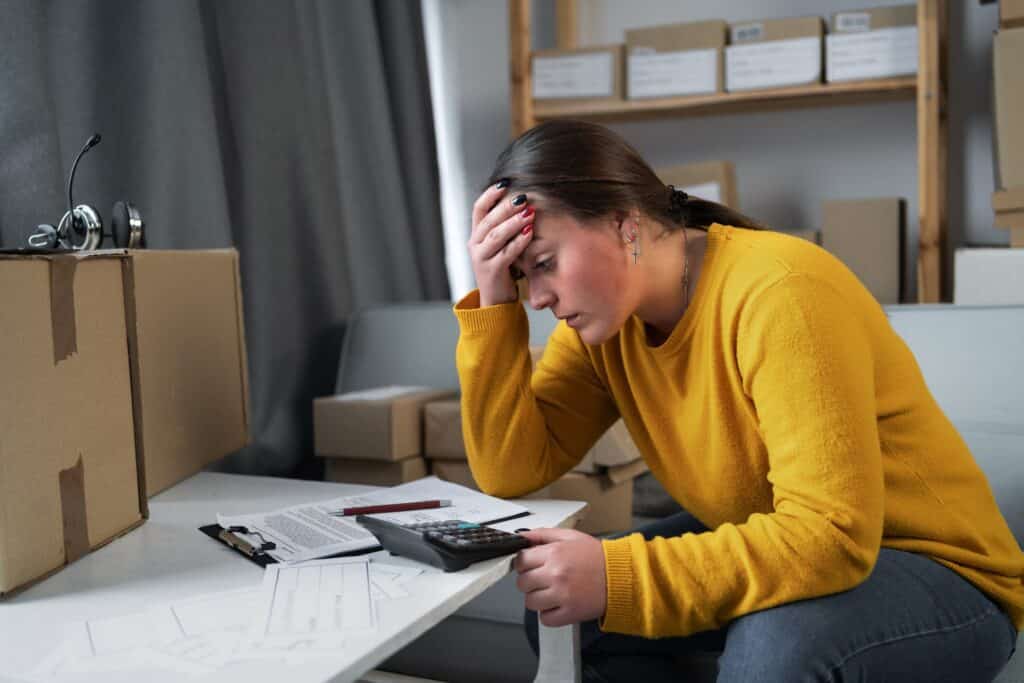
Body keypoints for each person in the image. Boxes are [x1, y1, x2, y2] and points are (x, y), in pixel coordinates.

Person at [452, 119, 1022, 682]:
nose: (540, 298)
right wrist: (493, 301)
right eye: (525, 278)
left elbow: (833, 538)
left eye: (545, 263)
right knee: (566, 617)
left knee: (779, 640)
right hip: (789, 540)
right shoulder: (602, 328)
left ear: (626, 224)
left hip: (943, 576)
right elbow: (512, 469)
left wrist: (618, 575)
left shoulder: (782, 293)